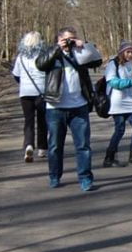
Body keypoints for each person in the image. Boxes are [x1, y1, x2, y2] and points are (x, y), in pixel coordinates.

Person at [35, 27, 103, 191]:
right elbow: (40, 64)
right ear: (59, 39)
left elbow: (97, 61)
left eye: (72, 39)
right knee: (55, 146)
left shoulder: (80, 53)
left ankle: (85, 179)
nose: (69, 42)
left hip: (79, 106)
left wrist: (85, 45)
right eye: (67, 39)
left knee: (83, 146)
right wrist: (57, 48)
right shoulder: (51, 52)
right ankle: (54, 176)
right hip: (55, 107)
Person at [103, 39, 132, 168]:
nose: (130, 54)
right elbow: (113, 82)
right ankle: (109, 158)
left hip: (130, 102)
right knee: (120, 130)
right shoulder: (113, 64)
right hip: (117, 102)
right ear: (122, 52)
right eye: (128, 52)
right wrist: (131, 83)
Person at [11, 31, 48, 163]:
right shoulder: (44, 55)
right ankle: (43, 148)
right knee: (42, 121)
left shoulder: (20, 57)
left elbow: (16, 75)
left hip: (25, 93)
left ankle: (29, 145)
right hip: (41, 92)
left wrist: (24, 83)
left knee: (29, 121)